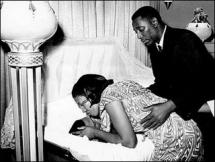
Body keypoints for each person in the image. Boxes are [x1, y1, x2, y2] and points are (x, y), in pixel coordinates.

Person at [131, 6, 214, 161]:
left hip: (205, 102)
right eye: (136, 32)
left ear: (154, 22)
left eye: (141, 29)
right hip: (184, 102)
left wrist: (169, 106)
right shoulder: (154, 48)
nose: (138, 36)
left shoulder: (185, 39)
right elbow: (162, 83)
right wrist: (143, 92)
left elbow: (199, 82)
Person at [71, 74, 203, 161]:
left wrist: (94, 132)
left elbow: (129, 142)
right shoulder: (124, 85)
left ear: (91, 94)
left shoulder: (108, 98)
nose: (83, 110)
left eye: (83, 104)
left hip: (175, 141)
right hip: (191, 130)